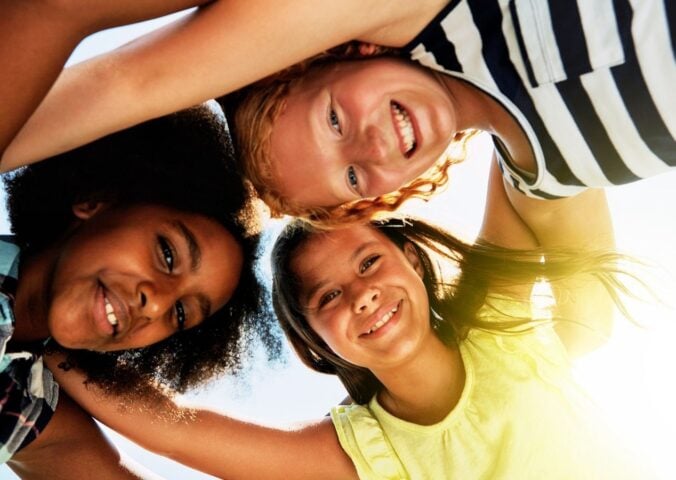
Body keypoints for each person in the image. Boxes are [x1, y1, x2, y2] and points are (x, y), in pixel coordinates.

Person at [50, 189, 650, 478]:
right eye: (328, 296)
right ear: (316, 341)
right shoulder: (364, 453)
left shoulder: (496, 322)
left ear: (412, 261)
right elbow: (176, 434)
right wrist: (56, 347)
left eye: (369, 262)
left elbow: (523, 155)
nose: (361, 294)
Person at [1, 104, 278, 478]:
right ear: (95, 200)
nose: (157, 303)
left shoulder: (24, 403)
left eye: (180, 315)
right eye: (167, 254)